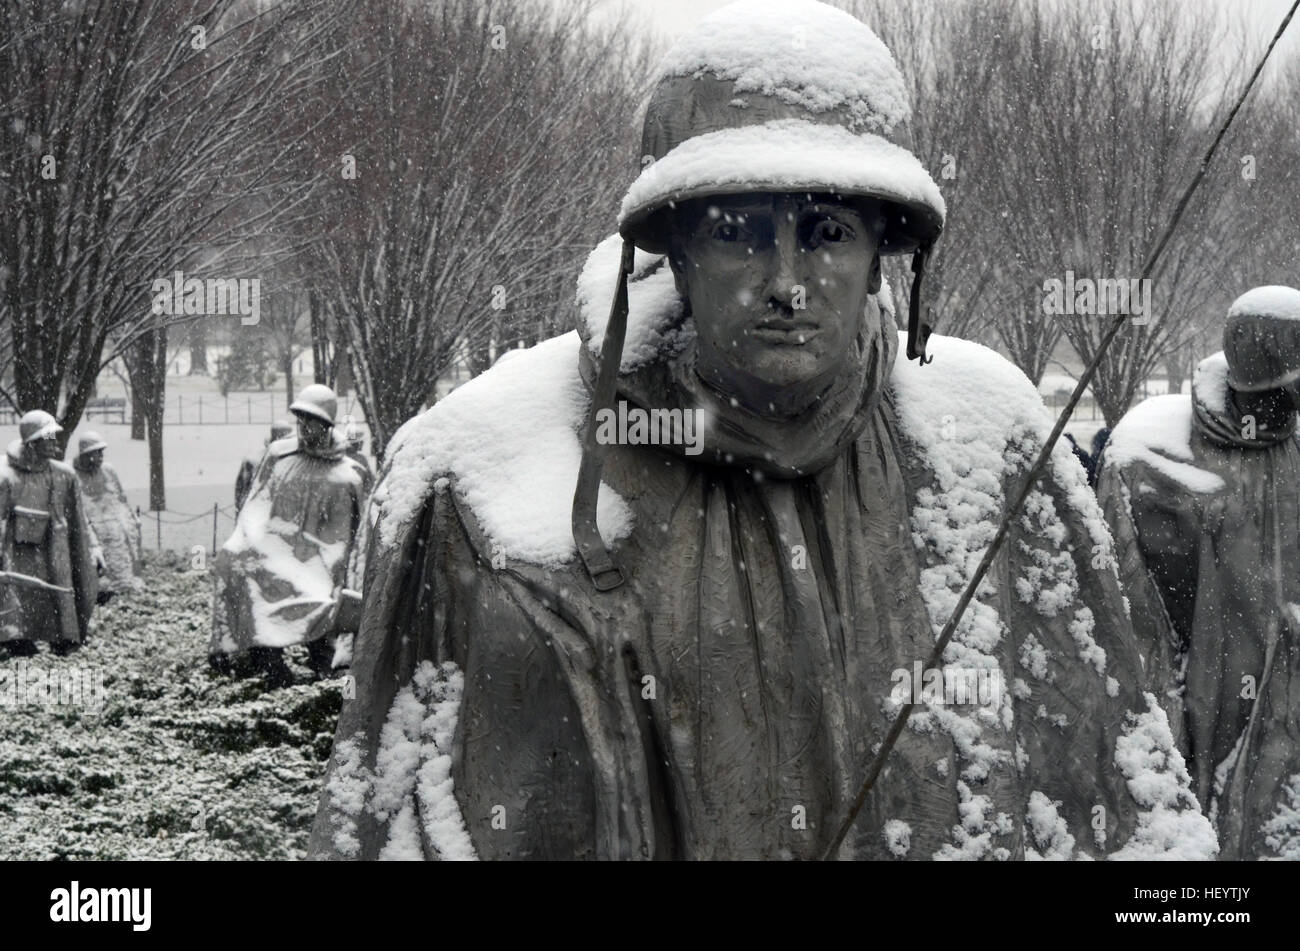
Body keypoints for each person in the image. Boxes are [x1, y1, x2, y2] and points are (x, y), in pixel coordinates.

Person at [309, 0, 1210, 861]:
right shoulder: (476, 483)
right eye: (739, 231)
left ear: (881, 251)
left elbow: (1127, 814)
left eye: (826, 231)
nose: (786, 281)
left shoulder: (996, 454)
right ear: (676, 247)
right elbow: (386, 822)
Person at [1097, 285, 1300, 859]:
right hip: (1193, 672)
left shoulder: (1291, 450)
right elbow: (1127, 598)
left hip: (1279, 673)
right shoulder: (1154, 454)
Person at [210, 385, 367, 684]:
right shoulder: (279, 457)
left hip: (316, 559)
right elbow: (256, 508)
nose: (305, 427)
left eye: (312, 420)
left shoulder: (345, 476)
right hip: (271, 547)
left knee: (317, 592)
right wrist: (248, 543)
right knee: (235, 565)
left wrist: (315, 557)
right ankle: (265, 659)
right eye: (301, 420)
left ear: (327, 424)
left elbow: (344, 538)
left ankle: (322, 657)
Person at [0, 411, 100, 656]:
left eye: (55, 436)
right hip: (18, 554)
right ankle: (16, 640)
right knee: (18, 600)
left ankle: (63, 638)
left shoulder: (64, 475)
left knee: (60, 595)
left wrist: (94, 547)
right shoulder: (7, 477)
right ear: (32, 441)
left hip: (57, 550)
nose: (55, 441)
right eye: (48, 437)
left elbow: (80, 519)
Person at [71, 432, 143, 598]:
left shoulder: (108, 471)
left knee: (125, 555)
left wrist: (131, 518)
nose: (101, 456)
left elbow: (121, 497)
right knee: (101, 568)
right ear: (87, 454)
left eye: (102, 452)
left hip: (116, 524)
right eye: (97, 453)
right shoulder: (72, 474)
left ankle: (126, 586)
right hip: (94, 529)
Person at [235, 420, 293, 512]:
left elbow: (241, 490)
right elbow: (242, 488)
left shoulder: (291, 460)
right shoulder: (254, 460)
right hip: (259, 510)